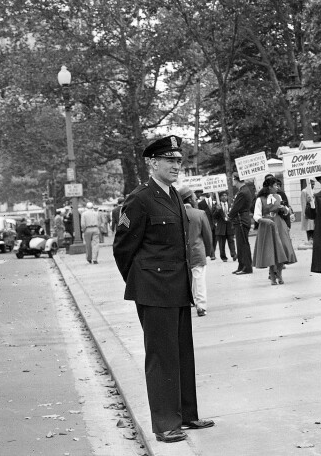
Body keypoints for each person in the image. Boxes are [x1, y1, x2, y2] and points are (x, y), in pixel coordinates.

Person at [112, 135, 214, 443]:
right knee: (161, 357)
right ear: (152, 163)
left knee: (182, 353)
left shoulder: (174, 196)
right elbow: (122, 248)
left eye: (179, 161)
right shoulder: (140, 199)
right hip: (154, 290)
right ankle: (165, 424)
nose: (176, 166)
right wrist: (143, 281)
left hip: (177, 286)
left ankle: (186, 414)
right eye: (170, 161)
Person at [253, 177, 297, 285]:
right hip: (267, 225)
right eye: (275, 185)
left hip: (279, 224)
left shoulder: (279, 196)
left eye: (278, 185)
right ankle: (272, 276)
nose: (277, 187)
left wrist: (284, 209)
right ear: (269, 187)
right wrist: (265, 220)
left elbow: (286, 211)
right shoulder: (260, 199)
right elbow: (256, 216)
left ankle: (279, 273)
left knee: (284, 248)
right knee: (271, 251)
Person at [178, 186, 214, 317]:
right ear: (190, 199)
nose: (196, 199)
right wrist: (210, 251)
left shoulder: (176, 215)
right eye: (194, 197)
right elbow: (208, 235)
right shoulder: (200, 213)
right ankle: (201, 306)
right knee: (199, 279)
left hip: (181, 253)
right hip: (197, 251)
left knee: (185, 279)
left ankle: (188, 302)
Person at [229, 174, 254, 275]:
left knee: (243, 244)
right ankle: (241, 265)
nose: (232, 182)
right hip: (241, 219)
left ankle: (247, 267)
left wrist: (229, 215)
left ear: (236, 180)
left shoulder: (243, 192)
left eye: (233, 179)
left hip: (241, 220)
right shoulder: (243, 190)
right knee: (240, 244)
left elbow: (236, 207)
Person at [212, 192, 237, 262]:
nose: (224, 197)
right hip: (221, 227)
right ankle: (223, 257)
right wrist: (217, 210)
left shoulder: (231, 204)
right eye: (222, 196)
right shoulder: (216, 205)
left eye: (225, 195)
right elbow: (213, 216)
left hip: (229, 226)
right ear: (219, 197)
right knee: (222, 244)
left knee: (231, 241)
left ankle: (233, 254)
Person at [196, 192, 215, 260]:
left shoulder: (215, 201)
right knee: (209, 237)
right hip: (207, 223)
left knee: (215, 239)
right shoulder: (201, 203)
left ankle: (213, 252)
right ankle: (212, 253)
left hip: (215, 223)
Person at [300, 180, 316, 244]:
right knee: (308, 226)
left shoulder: (313, 191)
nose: (313, 186)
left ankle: (314, 239)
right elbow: (303, 202)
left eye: (313, 184)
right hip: (307, 210)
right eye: (311, 184)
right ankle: (309, 238)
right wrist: (304, 213)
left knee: (313, 226)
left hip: (313, 210)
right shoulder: (304, 191)